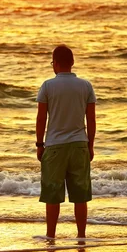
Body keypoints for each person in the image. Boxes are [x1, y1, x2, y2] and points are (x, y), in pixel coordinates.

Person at [36, 45, 96, 239]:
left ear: (56, 62)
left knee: (52, 196)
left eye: (52, 62)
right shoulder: (85, 86)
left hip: (54, 146)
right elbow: (91, 120)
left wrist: (39, 144)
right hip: (79, 143)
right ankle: (81, 236)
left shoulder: (47, 86)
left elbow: (41, 118)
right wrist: (90, 145)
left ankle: (51, 236)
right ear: (72, 62)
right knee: (80, 195)